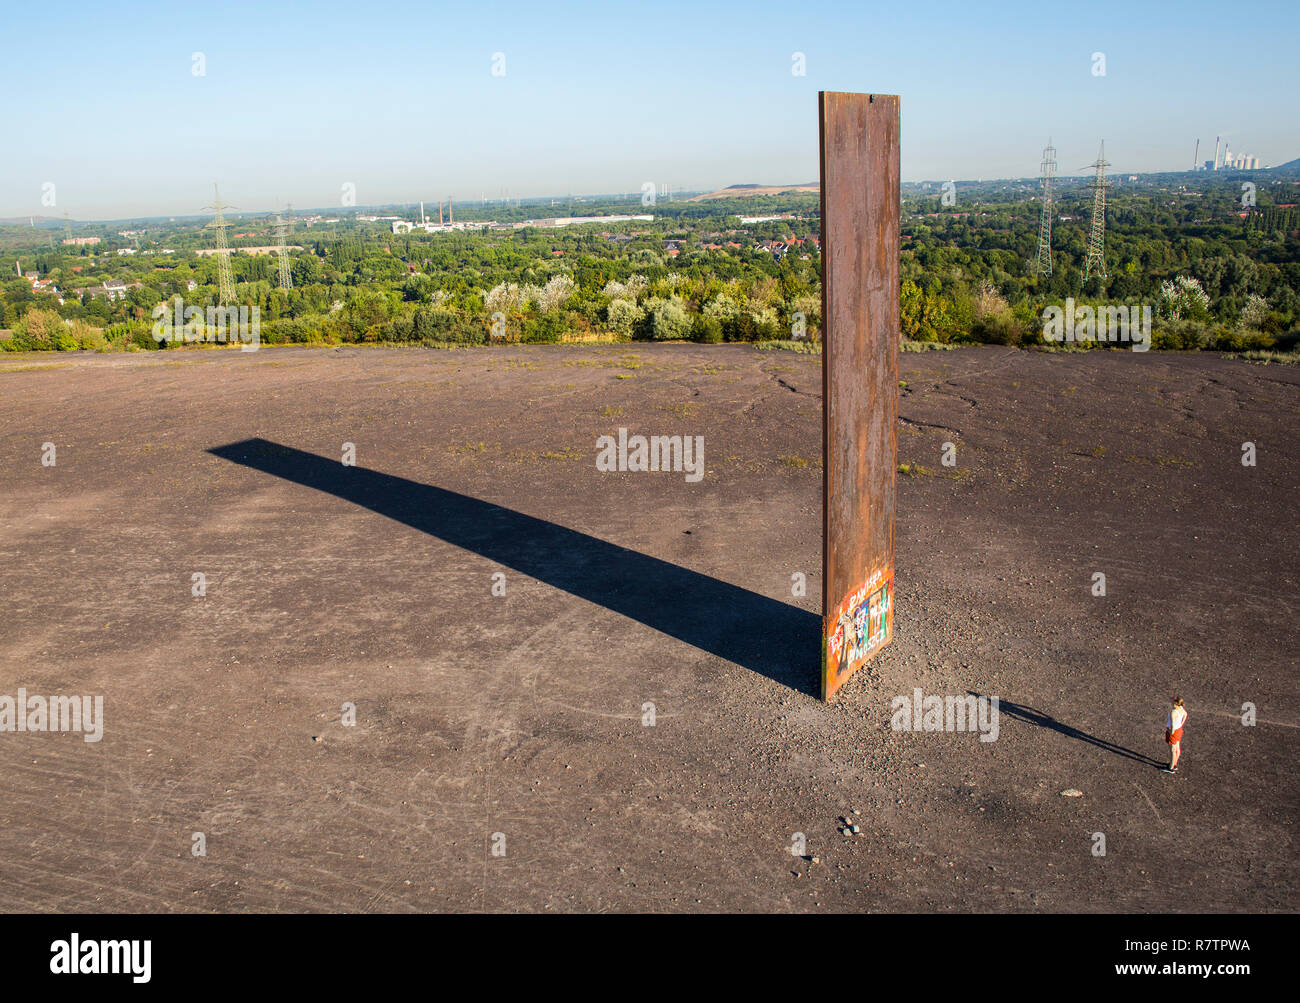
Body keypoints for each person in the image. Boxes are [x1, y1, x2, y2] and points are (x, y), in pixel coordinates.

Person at [1163, 697, 1187, 774]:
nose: (1171, 700)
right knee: (1177, 748)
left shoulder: (1173, 712)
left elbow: (1173, 725)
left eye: (1173, 700)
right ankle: (1174, 764)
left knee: (1173, 750)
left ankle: (1171, 768)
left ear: (1176, 703)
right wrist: (1181, 725)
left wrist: (1171, 732)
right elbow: (1185, 715)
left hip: (1173, 732)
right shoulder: (1181, 708)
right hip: (1179, 730)